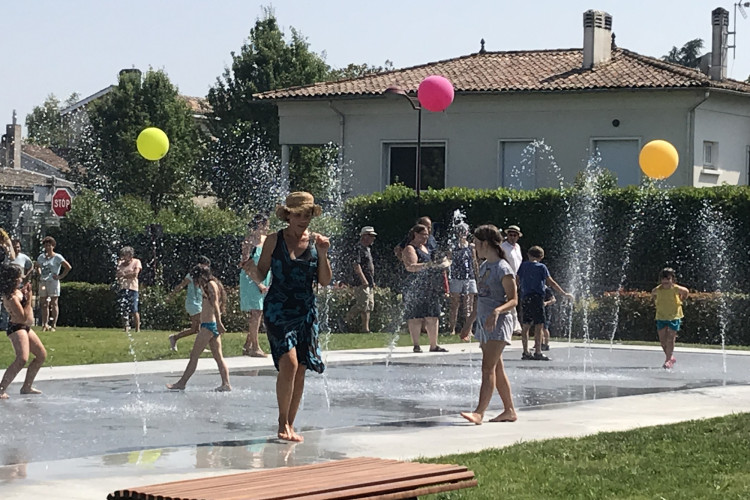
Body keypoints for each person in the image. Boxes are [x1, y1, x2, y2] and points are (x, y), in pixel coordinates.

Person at [243, 191, 331, 443]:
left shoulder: (317, 242)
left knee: (301, 367)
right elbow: (262, 275)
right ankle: (282, 423)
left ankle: (291, 424)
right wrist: (250, 270)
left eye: (308, 215)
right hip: (278, 309)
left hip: (305, 311)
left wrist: (323, 255)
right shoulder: (274, 240)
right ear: (288, 215)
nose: (304, 220)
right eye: (299, 215)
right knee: (290, 364)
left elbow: (324, 281)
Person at [460, 225, 517, 424]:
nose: (474, 246)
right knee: (497, 368)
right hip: (485, 324)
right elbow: (481, 299)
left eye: (475, 242)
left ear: (484, 243)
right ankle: (509, 410)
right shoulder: (485, 266)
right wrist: (469, 323)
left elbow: (513, 299)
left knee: (487, 368)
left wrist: (497, 311)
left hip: (499, 323)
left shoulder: (503, 268)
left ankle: (479, 412)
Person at [167, 265, 231, 392]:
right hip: (210, 325)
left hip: (208, 326)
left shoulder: (211, 285)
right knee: (218, 357)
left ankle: (182, 383)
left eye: (196, 278)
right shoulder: (210, 284)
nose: (195, 281)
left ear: (201, 276)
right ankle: (226, 384)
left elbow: (215, 305)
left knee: (194, 355)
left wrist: (219, 322)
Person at [517, 246, 573, 361]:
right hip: (537, 297)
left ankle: (525, 352)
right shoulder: (542, 267)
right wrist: (563, 293)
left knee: (526, 325)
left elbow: (517, 279)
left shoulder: (523, 265)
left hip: (525, 297)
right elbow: (551, 282)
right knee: (539, 325)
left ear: (528, 255)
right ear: (541, 257)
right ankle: (538, 351)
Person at [0, 263, 46, 399]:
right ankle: (1, 388)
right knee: (22, 358)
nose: (21, 279)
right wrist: (29, 297)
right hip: (17, 328)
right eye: (19, 277)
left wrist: (25, 293)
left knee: (41, 355)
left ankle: (27, 386)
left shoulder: (17, 292)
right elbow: (22, 317)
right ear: (13, 279)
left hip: (25, 327)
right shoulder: (11, 297)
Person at [401, 223, 448, 353]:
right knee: (416, 316)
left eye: (427, 235)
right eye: (423, 235)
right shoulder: (410, 249)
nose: (426, 238)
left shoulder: (427, 248)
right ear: (416, 234)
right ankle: (416, 344)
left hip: (431, 286)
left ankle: (434, 345)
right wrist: (431, 265)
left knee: (433, 315)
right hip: (416, 287)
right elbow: (411, 266)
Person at [239, 214, 271, 357]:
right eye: (266, 225)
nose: (268, 228)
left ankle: (247, 345)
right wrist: (259, 284)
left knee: (259, 312)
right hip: (251, 279)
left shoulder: (267, 240)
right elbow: (245, 265)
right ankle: (255, 348)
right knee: (256, 312)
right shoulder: (248, 242)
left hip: (264, 278)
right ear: (259, 225)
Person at [167, 256, 211, 351]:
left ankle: (174, 338)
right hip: (192, 303)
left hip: (199, 303)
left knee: (195, 329)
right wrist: (171, 295)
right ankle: (201, 346)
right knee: (203, 324)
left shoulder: (203, 277)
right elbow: (181, 286)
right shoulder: (190, 276)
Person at [651, 267, 689, 369]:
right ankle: (670, 357)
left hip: (674, 316)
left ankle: (668, 360)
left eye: (668, 279)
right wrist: (657, 303)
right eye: (663, 279)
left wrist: (682, 299)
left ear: (672, 279)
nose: (665, 281)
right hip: (661, 316)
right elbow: (653, 294)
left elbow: (686, 291)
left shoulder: (676, 288)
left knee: (670, 338)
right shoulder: (657, 290)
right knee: (663, 340)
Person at [447, 223, 477, 339]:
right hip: (456, 277)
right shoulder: (453, 246)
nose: (462, 233)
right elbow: (449, 260)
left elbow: (474, 262)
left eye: (464, 231)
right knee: (455, 304)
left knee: (468, 304)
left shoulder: (471, 246)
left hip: (469, 277)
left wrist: (477, 277)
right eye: (460, 230)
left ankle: (468, 329)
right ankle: (452, 329)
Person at [345, 226, 377, 333]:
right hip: (361, 282)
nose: (373, 238)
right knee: (362, 304)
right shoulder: (358, 248)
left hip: (369, 281)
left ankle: (365, 328)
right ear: (364, 236)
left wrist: (372, 281)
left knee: (368, 305)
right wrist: (363, 280)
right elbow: (356, 265)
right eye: (371, 236)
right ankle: (345, 321)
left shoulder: (367, 249)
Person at [35, 236, 71, 332]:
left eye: (49, 245)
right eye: (46, 245)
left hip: (53, 282)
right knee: (44, 304)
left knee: (54, 303)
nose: (47, 247)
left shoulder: (57, 257)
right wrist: (39, 273)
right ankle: (44, 324)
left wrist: (60, 276)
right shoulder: (41, 257)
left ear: (53, 246)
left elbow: (68, 267)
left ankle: (53, 324)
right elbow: (37, 266)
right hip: (44, 281)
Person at [501, 225, 523, 337]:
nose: (512, 237)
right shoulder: (503, 246)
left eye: (515, 235)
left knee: (514, 301)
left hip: (517, 277)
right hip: (507, 276)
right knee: (510, 301)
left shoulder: (517, 247)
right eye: (510, 234)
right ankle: (514, 326)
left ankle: (515, 325)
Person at [115, 246, 142, 332]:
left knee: (134, 309)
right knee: (124, 309)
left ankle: (137, 328)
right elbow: (118, 275)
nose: (123, 257)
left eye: (125, 255)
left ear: (130, 255)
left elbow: (135, 274)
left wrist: (124, 275)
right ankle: (126, 327)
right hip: (123, 287)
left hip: (133, 288)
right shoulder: (120, 263)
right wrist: (125, 275)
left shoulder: (136, 262)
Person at [541, 286, 556, 351]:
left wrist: (546, 303)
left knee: (545, 327)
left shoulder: (547, 289)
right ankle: (540, 343)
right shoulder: (537, 288)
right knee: (539, 327)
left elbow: (553, 300)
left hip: (546, 311)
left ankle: (546, 344)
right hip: (539, 310)